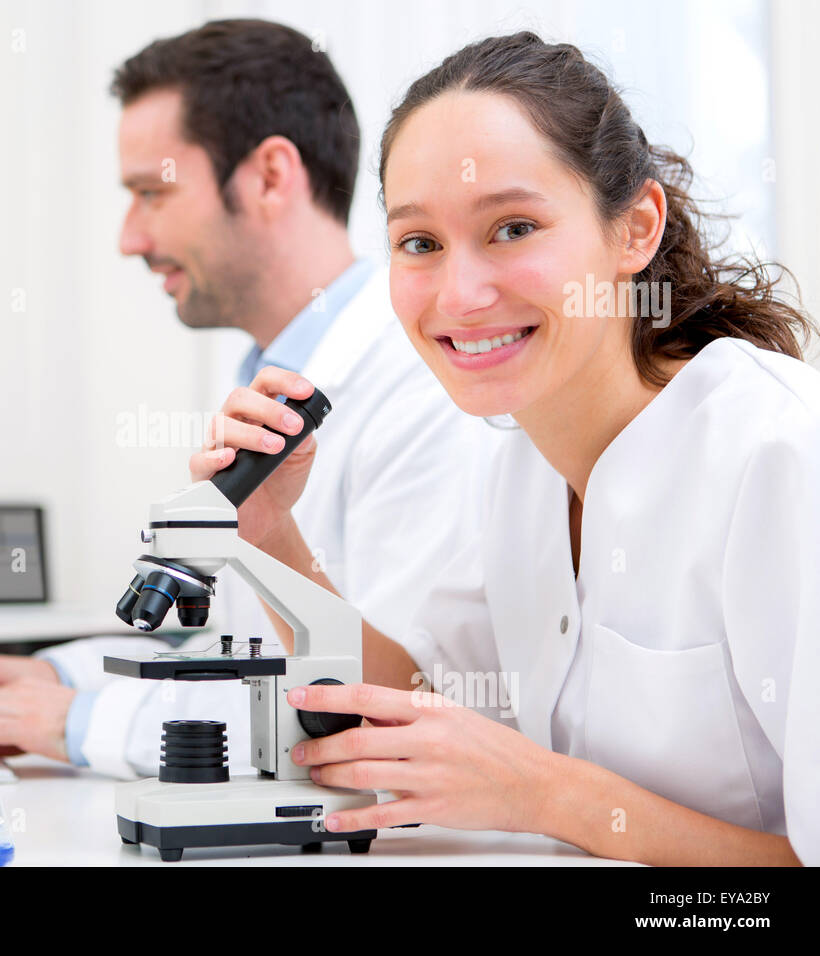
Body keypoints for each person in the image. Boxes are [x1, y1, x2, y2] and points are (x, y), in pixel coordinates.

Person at [195, 32, 819, 866]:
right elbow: (413, 705)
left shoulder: (776, 458)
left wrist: (546, 794)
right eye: (420, 243)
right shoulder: (520, 460)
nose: (461, 294)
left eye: (514, 227)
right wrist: (272, 539)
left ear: (635, 229)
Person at [0, 19, 496, 778]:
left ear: (267, 176)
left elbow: (382, 700)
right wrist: (63, 675)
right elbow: (249, 650)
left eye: (151, 193)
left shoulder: (428, 388)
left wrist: (81, 722)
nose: (130, 237)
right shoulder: (273, 370)